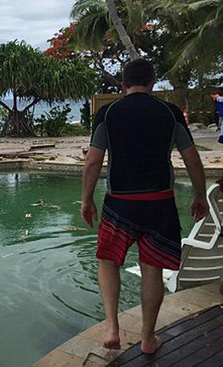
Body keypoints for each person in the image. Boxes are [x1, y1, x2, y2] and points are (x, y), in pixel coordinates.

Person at [81, 59, 208, 355]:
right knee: (153, 269)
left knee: (108, 261)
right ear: (152, 83)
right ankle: (148, 339)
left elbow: (93, 161)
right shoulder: (169, 112)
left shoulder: (107, 113)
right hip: (159, 204)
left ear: (124, 84)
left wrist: (87, 199)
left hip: (119, 204)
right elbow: (192, 158)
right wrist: (200, 194)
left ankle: (112, 328)